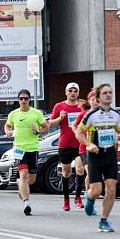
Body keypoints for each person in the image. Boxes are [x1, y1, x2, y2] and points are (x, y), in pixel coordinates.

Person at [77, 84, 120, 232]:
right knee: (96, 190)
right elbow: (79, 132)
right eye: (105, 93)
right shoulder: (91, 115)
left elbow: (118, 131)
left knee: (111, 189)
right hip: (95, 156)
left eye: (110, 92)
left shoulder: (116, 114)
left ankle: (104, 220)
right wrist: (88, 144)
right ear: (98, 98)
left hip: (110, 155)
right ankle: (89, 198)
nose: (108, 95)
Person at [5, 89, 48, 215]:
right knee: (23, 175)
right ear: (18, 100)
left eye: (26, 98)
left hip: (33, 148)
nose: (23, 100)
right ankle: (27, 203)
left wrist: (38, 131)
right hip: (19, 148)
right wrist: (8, 131)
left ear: (29, 100)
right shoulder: (13, 114)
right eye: (21, 98)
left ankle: (21, 186)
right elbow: (8, 125)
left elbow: (46, 127)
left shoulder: (36, 113)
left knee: (31, 179)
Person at [48, 82, 83, 211]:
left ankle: (78, 197)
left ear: (78, 93)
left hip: (79, 143)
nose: (72, 93)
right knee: (66, 172)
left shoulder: (82, 105)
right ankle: (66, 199)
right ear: (66, 92)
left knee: (80, 169)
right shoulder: (59, 106)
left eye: (75, 91)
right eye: (70, 90)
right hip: (65, 144)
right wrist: (60, 118)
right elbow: (50, 124)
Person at [72, 92, 97, 210]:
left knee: (95, 175)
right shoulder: (84, 114)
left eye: (97, 99)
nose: (95, 101)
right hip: (85, 148)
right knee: (90, 173)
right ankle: (88, 198)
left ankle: (89, 195)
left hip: (98, 148)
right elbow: (74, 125)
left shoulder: (102, 114)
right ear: (89, 101)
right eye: (92, 99)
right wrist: (80, 136)